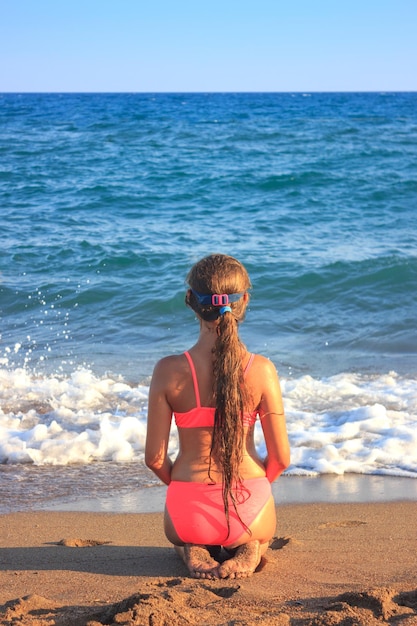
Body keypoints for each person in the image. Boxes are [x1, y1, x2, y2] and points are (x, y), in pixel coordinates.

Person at [145, 254, 290, 579]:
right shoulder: (261, 370)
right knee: (260, 534)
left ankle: (192, 549)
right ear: (244, 302)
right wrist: (253, 490)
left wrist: (188, 488)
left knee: (181, 539)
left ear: (190, 301)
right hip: (248, 506)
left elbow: (154, 459)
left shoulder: (168, 370)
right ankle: (250, 548)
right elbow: (281, 458)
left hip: (188, 511)